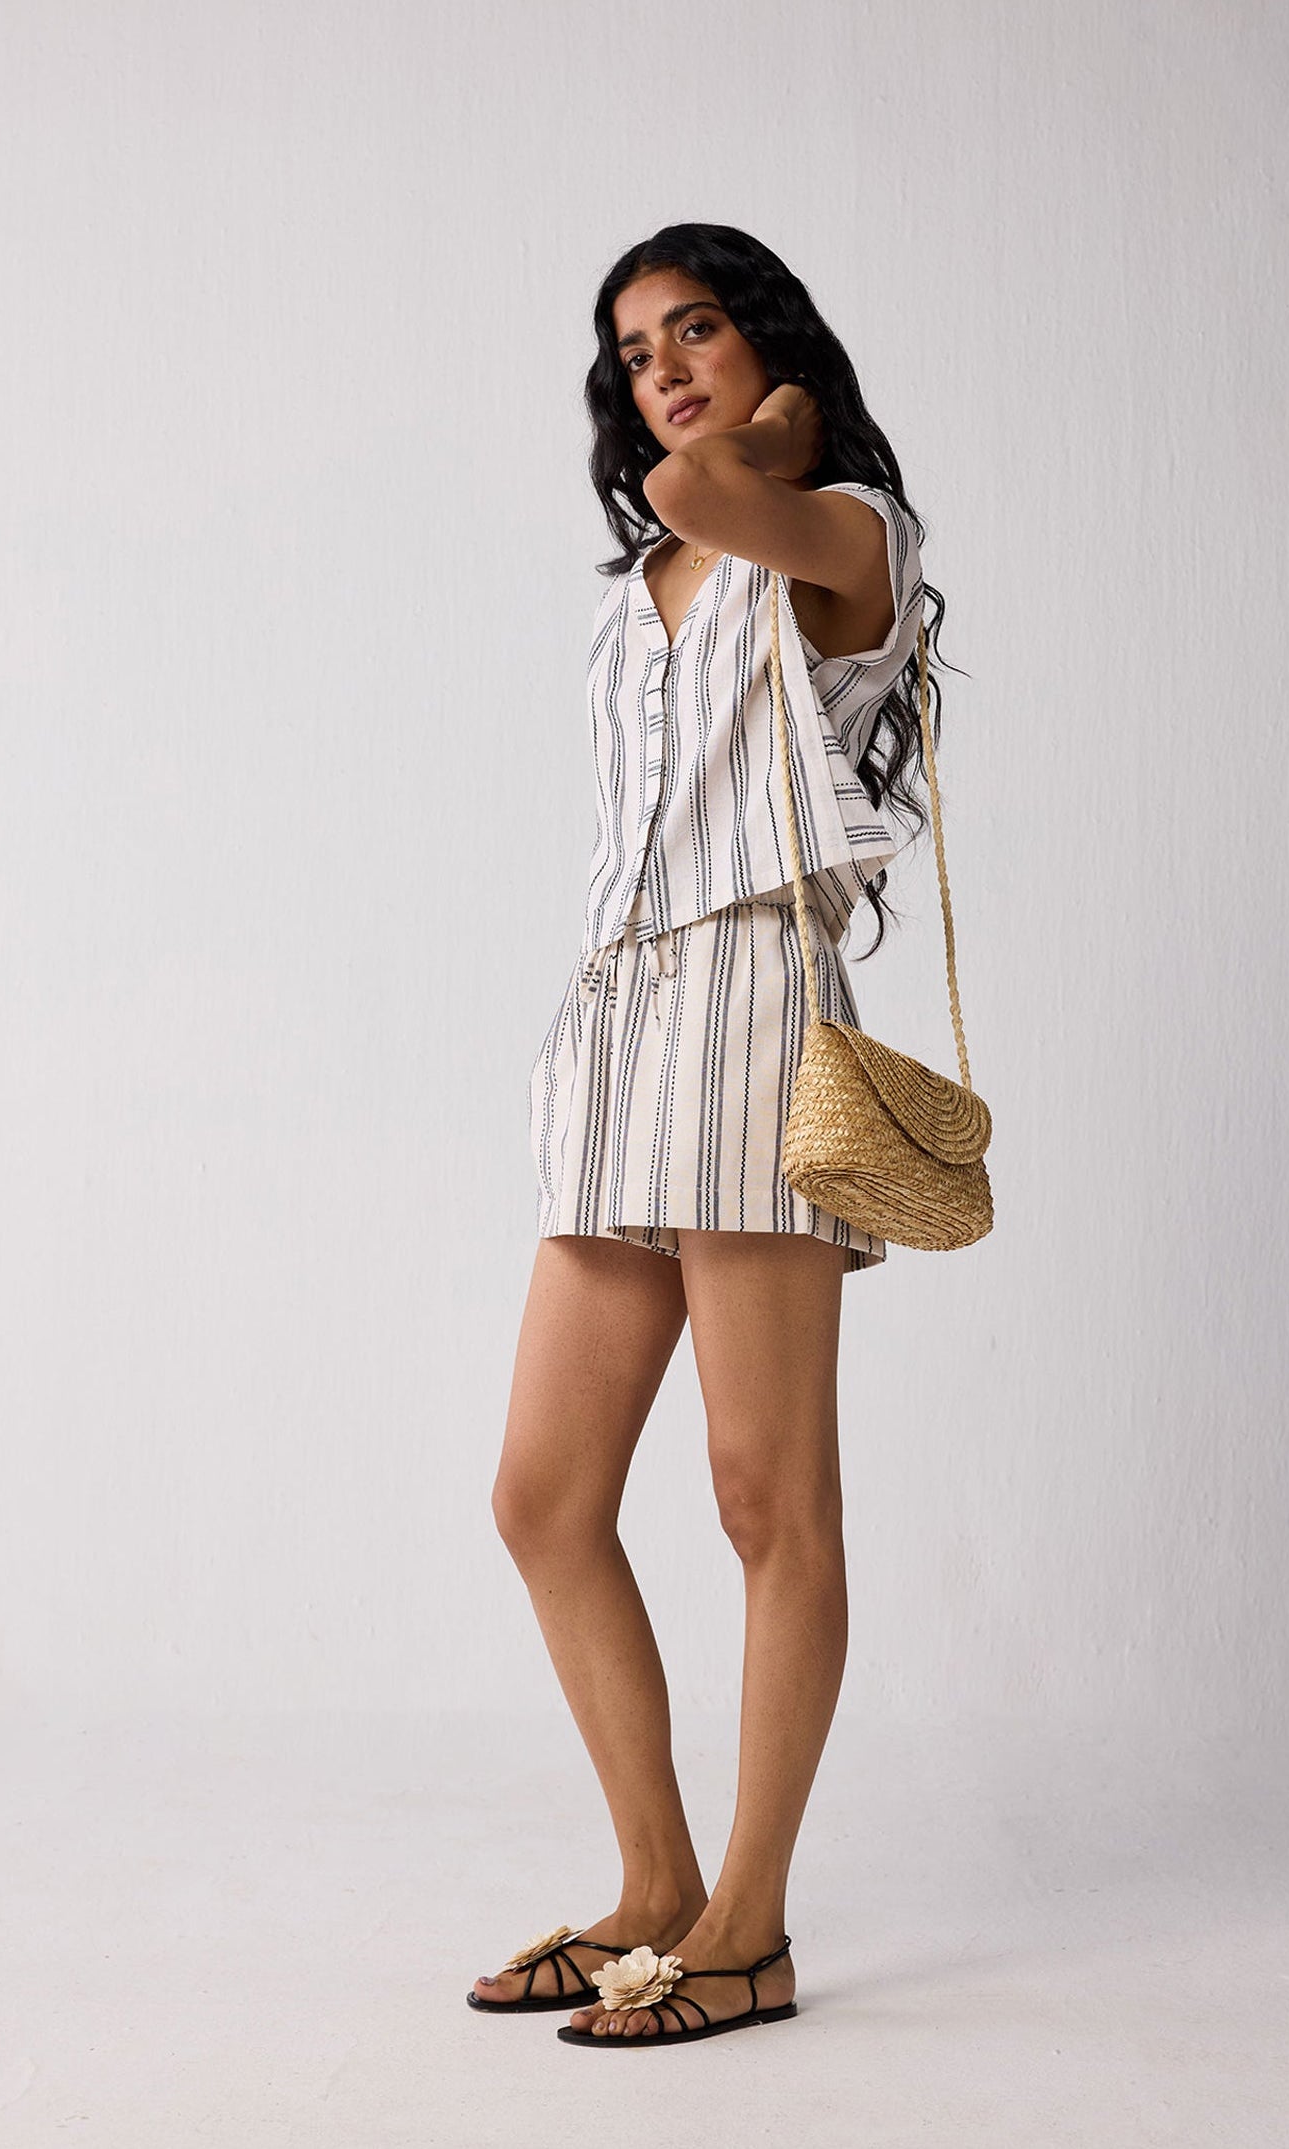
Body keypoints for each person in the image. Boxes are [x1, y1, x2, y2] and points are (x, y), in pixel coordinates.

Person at [468, 224, 953, 2047]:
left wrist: (780, 430)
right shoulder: (650, 577)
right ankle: (654, 1885)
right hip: (617, 1026)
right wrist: (742, 429)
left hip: (755, 1013)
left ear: (771, 345)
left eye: (698, 330)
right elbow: (674, 510)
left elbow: (699, 485)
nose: (663, 369)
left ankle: (750, 1925)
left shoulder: (839, 533)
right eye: (636, 351)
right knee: (543, 1495)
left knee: (767, 1497)